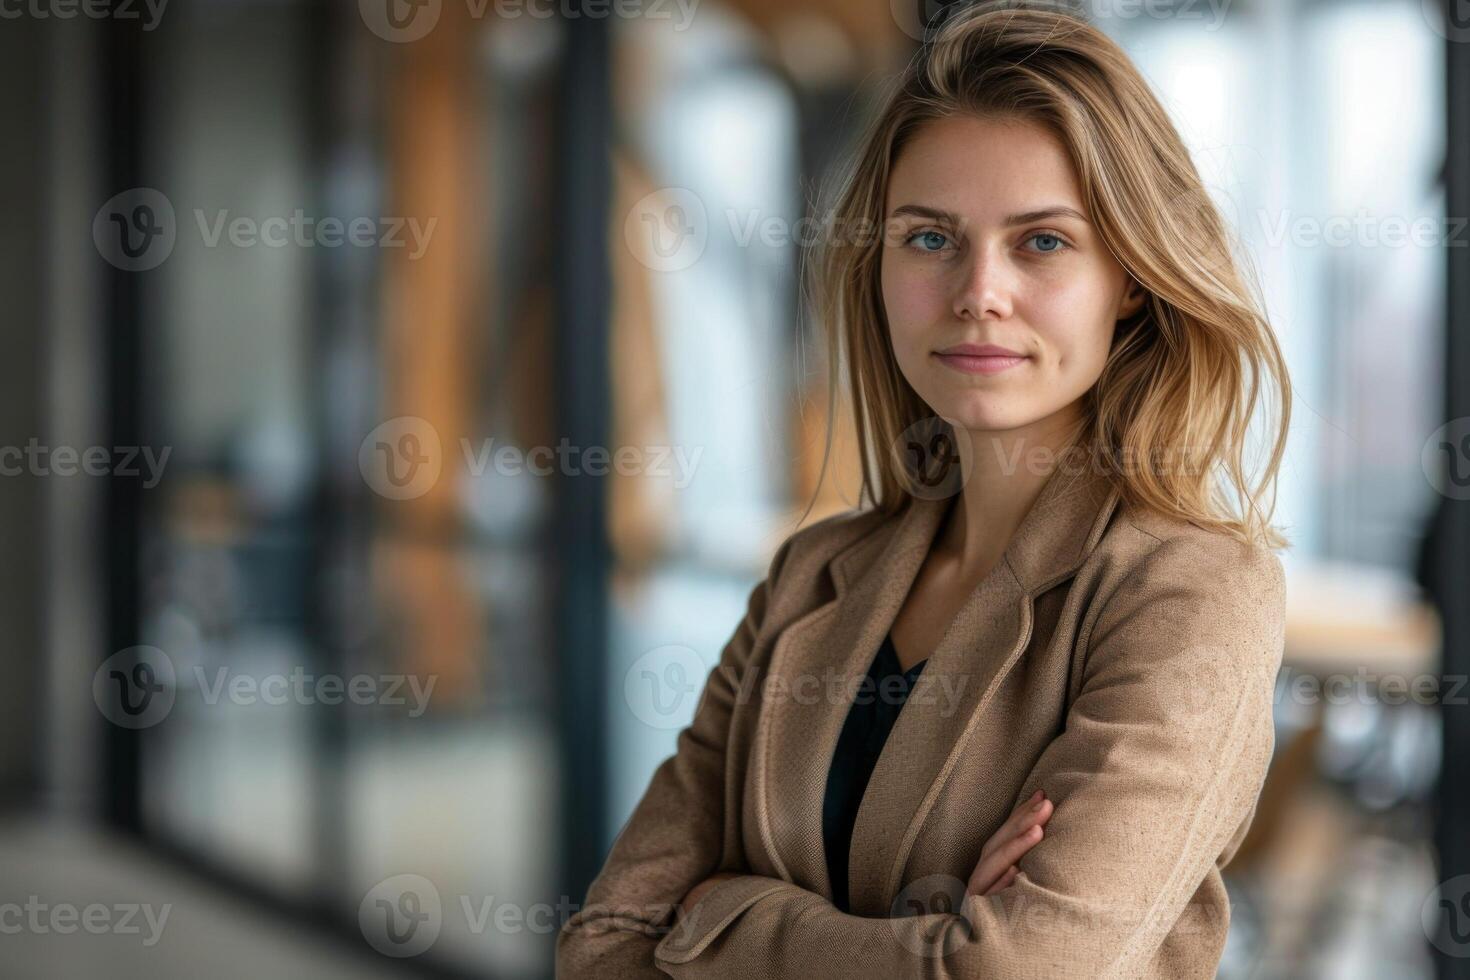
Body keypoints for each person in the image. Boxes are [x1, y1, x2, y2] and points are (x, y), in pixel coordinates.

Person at [558, 3, 1292, 976]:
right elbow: (600, 945)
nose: (978, 290)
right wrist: (934, 937)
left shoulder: (1190, 589)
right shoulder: (813, 574)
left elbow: (1020, 969)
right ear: (880, 263)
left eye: (1042, 242)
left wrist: (726, 919)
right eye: (930, 238)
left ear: (1131, 275)